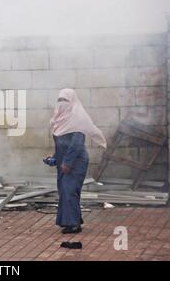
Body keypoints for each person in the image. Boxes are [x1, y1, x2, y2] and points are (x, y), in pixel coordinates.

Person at [46, 89, 107, 234]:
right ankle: (69, 221)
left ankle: (73, 224)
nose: (61, 104)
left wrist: (67, 162)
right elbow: (61, 144)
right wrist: (54, 157)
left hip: (76, 162)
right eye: (59, 100)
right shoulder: (58, 120)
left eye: (65, 100)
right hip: (64, 161)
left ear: (72, 102)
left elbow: (76, 144)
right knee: (64, 191)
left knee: (69, 190)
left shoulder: (77, 119)